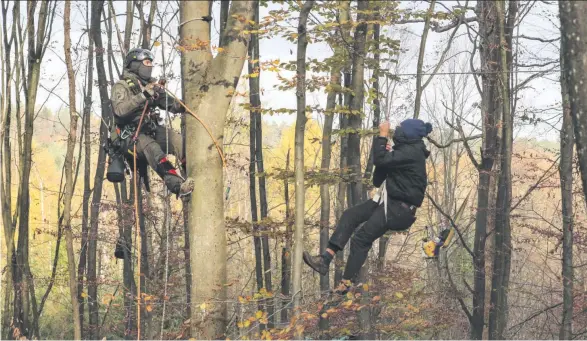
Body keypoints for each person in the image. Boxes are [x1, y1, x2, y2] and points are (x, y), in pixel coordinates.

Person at [303, 118, 432, 290]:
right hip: (389, 202)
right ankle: (324, 260)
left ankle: (346, 283)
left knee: (361, 239)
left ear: (408, 132)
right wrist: (383, 155)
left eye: (400, 127)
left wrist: (382, 137)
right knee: (350, 215)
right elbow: (378, 180)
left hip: (398, 210)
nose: (397, 130)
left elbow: (381, 161)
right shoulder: (402, 152)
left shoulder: (413, 152)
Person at [110, 47, 194, 197]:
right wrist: (143, 96)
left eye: (151, 63)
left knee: (178, 141)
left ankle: (194, 173)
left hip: (150, 129)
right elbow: (120, 111)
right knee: (154, 151)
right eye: (146, 62)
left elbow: (169, 103)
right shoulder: (121, 86)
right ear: (135, 64)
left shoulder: (151, 86)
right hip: (130, 136)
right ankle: (178, 187)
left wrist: (187, 105)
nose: (150, 66)